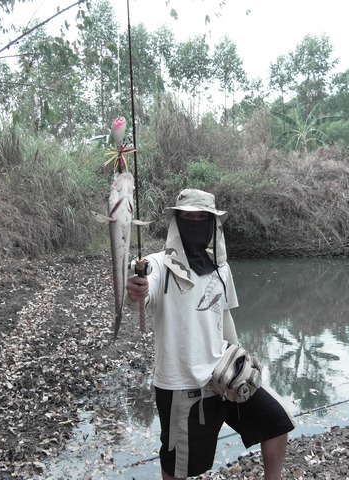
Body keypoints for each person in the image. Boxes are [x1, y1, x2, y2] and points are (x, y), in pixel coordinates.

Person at [126, 188, 295, 480]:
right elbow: (143, 285)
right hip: (182, 386)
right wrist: (136, 286)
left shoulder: (221, 267)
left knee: (277, 421)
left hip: (224, 378)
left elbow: (225, 314)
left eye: (202, 217)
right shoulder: (160, 265)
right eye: (187, 217)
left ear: (213, 223)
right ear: (176, 222)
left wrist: (240, 357)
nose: (195, 222)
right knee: (178, 467)